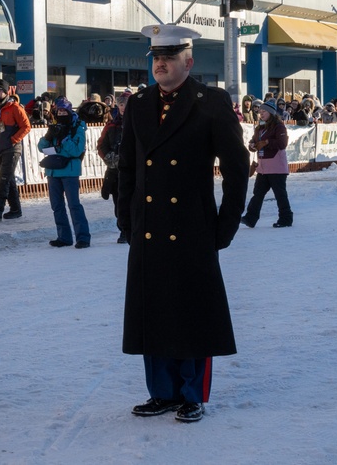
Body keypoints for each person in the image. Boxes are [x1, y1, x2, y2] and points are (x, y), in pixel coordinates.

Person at [117, 24, 249, 423]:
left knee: (192, 310)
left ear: (188, 62)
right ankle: (162, 392)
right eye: (156, 57)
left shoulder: (209, 102)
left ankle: (192, 393)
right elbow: (127, 166)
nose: (161, 64)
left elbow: (237, 167)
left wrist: (225, 224)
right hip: (149, 225)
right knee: (153, 308)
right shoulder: (139, 104)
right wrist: (126, 215)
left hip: (191, 226)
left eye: (169, 58)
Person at [37, 96, 90, 248]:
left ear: (68, 110)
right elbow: (41, 147)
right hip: (53, 171)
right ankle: (64, 237)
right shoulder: (54, 125)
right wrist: (48, 136)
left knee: (74, 205)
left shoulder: (78, 127)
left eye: (63, 110)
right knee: (57, 206)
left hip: (70, 171)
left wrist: (64, 139)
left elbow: (77, 150)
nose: (60, 113)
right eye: (58, 110)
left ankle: (83, 237)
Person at [240, 99, 292, 229]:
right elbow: (254, 141)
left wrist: (267, 142)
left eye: (264, 111)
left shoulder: (279, 126)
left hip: (277, 167)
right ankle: (250, 218)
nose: (261, 113)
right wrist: (252, 145)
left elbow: (282, 144)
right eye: (260, 111)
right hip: (263, 167)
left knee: (280, 194)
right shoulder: (260, 127)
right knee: (258, 193)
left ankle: (286, 219)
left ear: (271, 113)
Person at [0, 78, 31, 221]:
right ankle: (16, 209)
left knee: (3, 179)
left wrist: (13, 140)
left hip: (12, 149)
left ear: (5, 92)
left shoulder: (15, 108)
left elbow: (26, 126)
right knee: (8, 179)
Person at [98, 90, 129, 244]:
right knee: (119, 204)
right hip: (115, 172)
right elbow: (101, 145)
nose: (124, 107)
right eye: (121, 104)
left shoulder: (140, 123)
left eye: (127, 104)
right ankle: (123, 230)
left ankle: (133, 229)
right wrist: (111, 158)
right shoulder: (111, 125)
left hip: (134, 172)